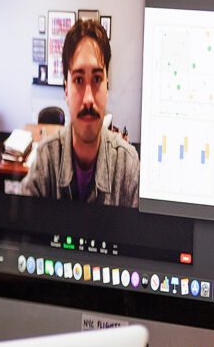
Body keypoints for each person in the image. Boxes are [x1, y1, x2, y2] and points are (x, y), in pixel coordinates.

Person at [21, 17, 138, 206]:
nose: (88, 99)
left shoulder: (127, 164)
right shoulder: (46, 158)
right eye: (78, 80)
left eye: (97, 78)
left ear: (107, 88)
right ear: (66, 90)